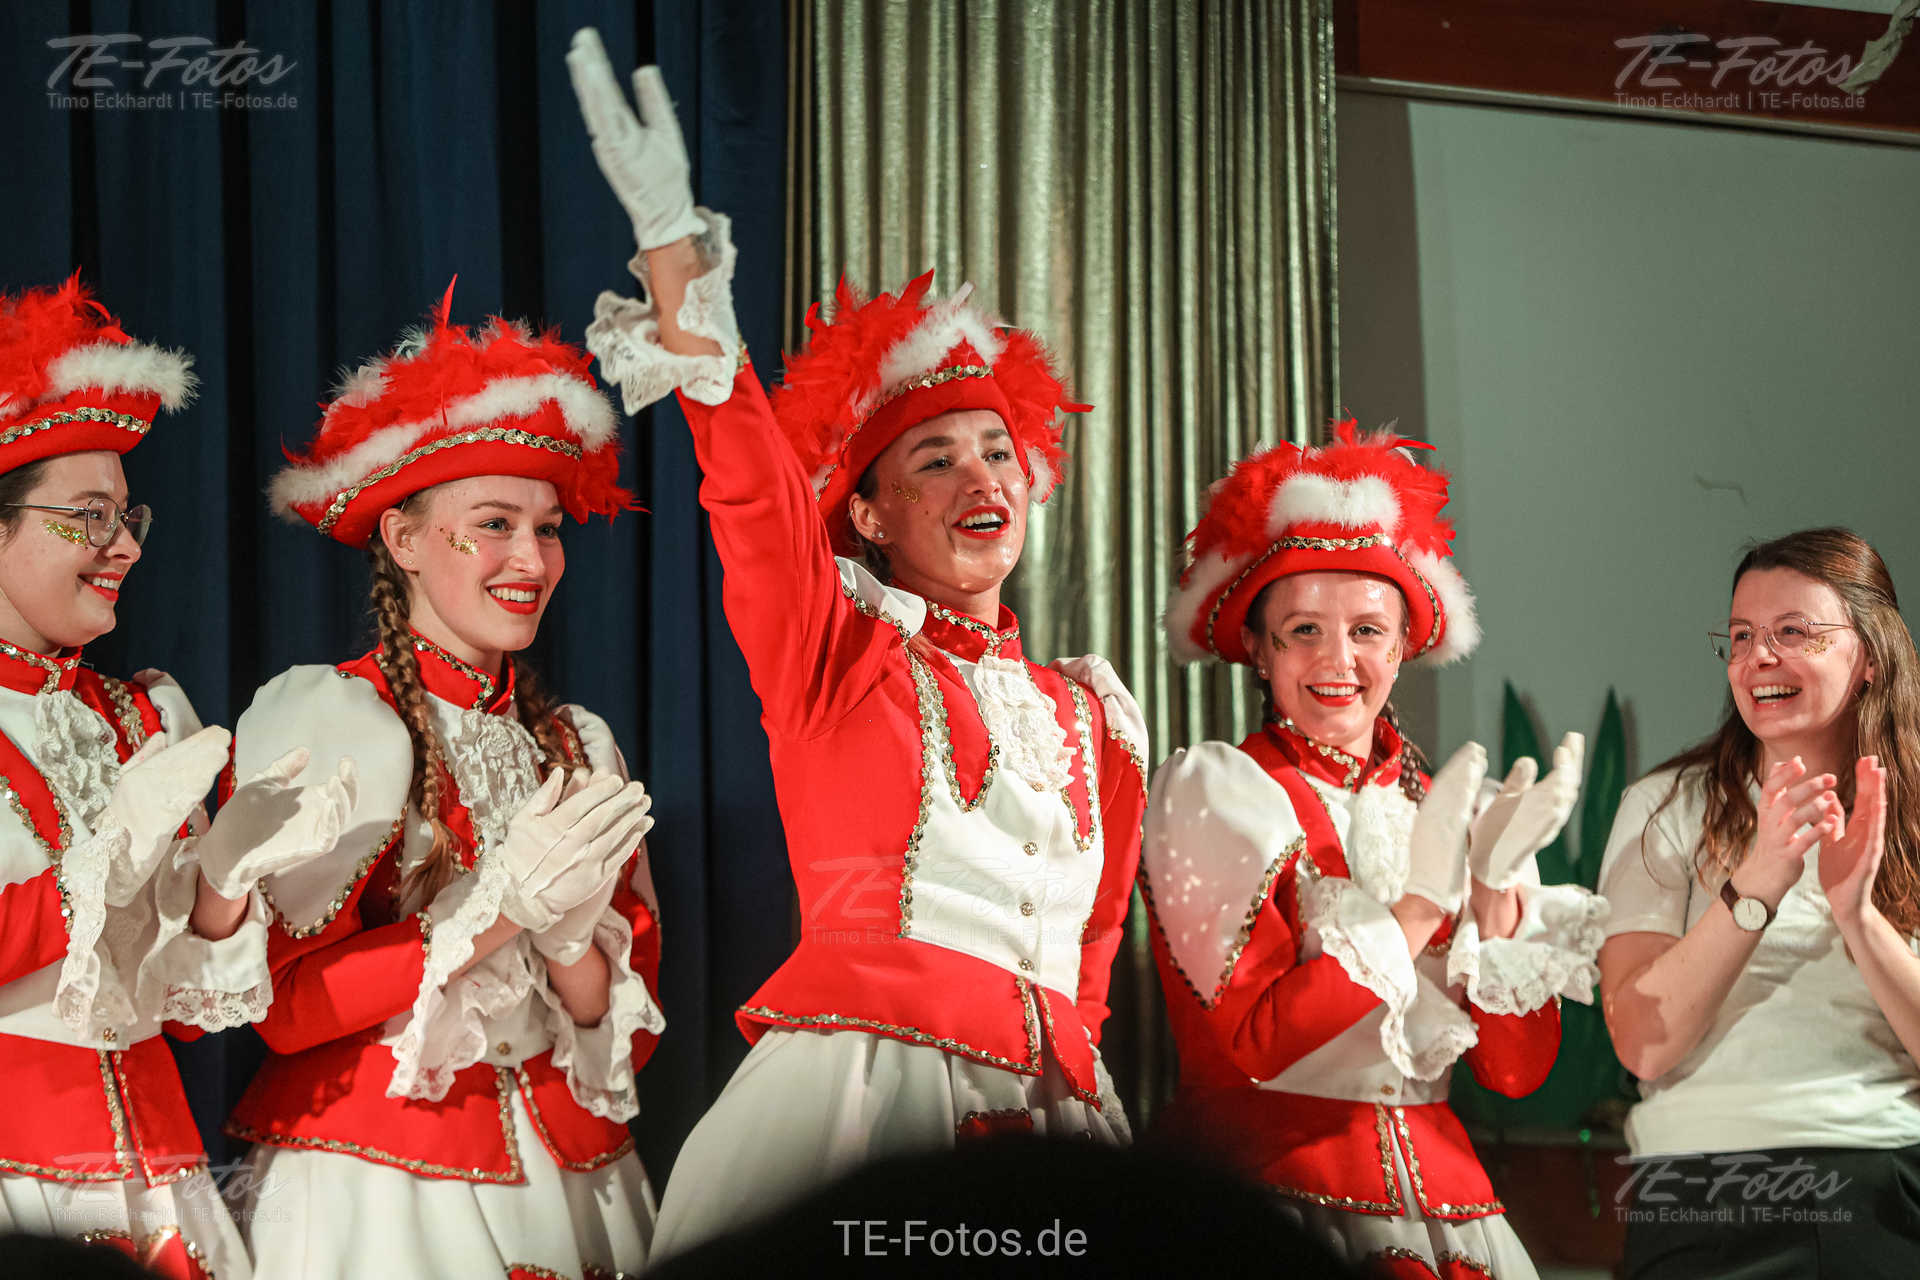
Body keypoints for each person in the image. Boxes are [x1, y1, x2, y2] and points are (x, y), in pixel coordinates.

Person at [564, 29, 1150, 1258]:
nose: (980, 477)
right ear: (871, 515)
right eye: (934, 458)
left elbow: (1091, 957)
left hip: (1054, 1123)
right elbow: (751, 486)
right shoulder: (840, 649)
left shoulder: (1094, 711)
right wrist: (673, 246)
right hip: (872, 1098)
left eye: (997, 451)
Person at [221, 286, 665, 1278]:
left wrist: (569, 944)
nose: (531, 558)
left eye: (548, 527)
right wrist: (501, 909)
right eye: (493, 523)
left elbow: (618, 1037)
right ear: (404, 539)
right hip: (382, 1181)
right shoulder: (338, 722)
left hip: (569, 1171)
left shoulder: (576, 745)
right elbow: (284, 1007)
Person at [1140, 424, 1607, 1279]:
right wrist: (1419, 911)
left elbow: (1513, 1076)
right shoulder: (1219, 790)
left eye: (1366, 630)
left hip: (1451, 1218)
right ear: (1258, 648)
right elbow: (1255, 1041)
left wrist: (1496, 895)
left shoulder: (1458, 808)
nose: (1338, 659)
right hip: (1264, 1203)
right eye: (1303, 630)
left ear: (1401, 648)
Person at [0, 277, 352, 1278]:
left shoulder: (145, 718)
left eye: (127, 516)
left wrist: (223, 884)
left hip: (159, 1180)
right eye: (88, 516)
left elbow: (191, 1014)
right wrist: (109, 858)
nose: (124, 546)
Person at [1598, 527, 1920, 1278]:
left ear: (1870, 656)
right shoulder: (1665, 806)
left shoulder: (1910, 814)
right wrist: (1758, 882)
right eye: (1741, 636)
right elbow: (1643, 1045)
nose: (1758, 658)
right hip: (1696, 1185)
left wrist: (1857, 916)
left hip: (1877, 1181)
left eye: (1793, 632)